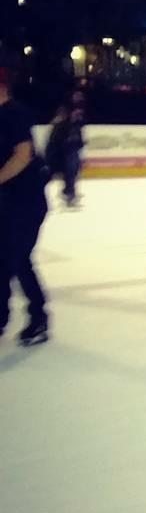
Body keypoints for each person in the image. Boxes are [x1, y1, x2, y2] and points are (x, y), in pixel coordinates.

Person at [0, 65, 50, 346]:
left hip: (27, 202)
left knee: (17, 259)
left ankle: (39, 318)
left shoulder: (14, 114)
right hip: (7, 201)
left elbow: (23, 155)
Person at [45, 93, 86, 208]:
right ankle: (68, 192)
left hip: (72, 147)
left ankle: (69, 192)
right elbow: (56, 133)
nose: (80, 98)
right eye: (77, 96)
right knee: (67, 169)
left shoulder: (78, 115)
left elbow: (78, 132)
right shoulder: (64, 112)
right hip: (61, 148)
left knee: (72, 170)